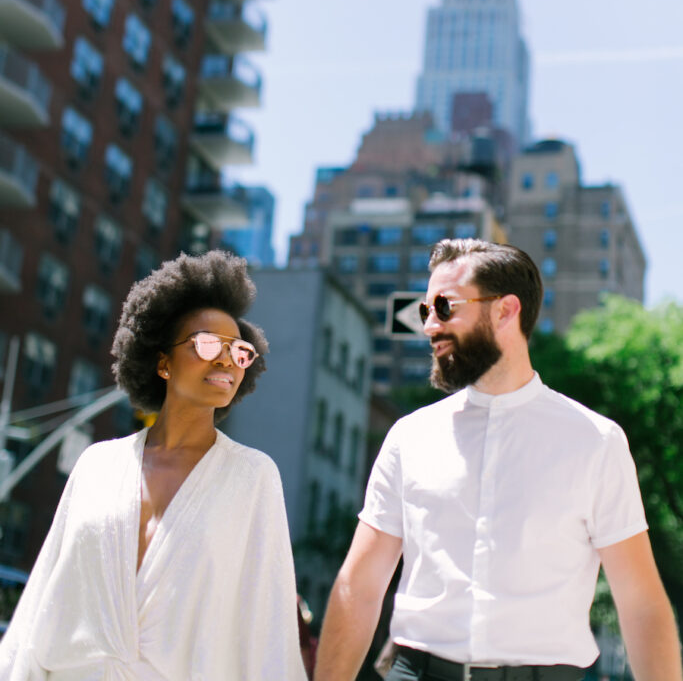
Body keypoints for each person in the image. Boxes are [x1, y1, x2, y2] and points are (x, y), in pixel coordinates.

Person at [314, 239, 682, 681]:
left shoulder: (596, 441)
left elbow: (640, 602)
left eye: (444, 307)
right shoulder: (408, 437)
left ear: (506, 310)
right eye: (424, 311)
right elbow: (360, 584)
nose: (430, 326)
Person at [0, 250, 308, 681]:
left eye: (239, 351)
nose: (225, 360)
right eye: (206, 344)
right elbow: (44, 602)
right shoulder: (97, 466)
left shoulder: (253, 478)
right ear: (163, 362)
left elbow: (267, 628)